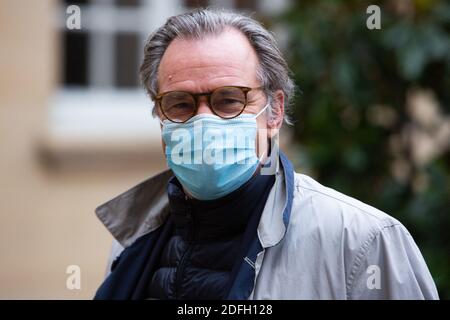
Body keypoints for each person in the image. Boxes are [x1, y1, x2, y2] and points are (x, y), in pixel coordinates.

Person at [94, 8, 438, 300]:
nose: (203, 120)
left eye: (229, 100)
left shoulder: (361, 242)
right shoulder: (133, 243)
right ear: (160, 119)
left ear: (274, 112)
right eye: (180, 104)